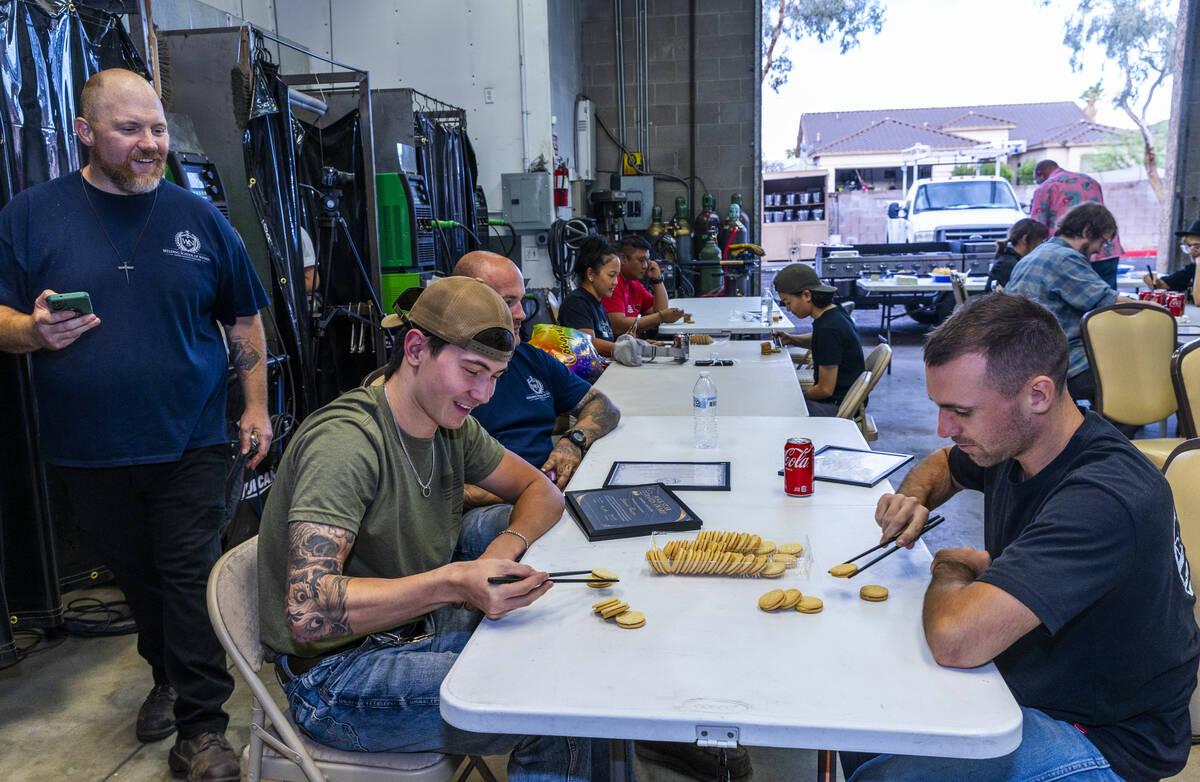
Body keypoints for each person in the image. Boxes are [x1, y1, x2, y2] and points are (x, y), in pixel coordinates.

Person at [0, 69, 271, 782]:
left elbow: (242, 316)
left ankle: (204, 730)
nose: (151, 142)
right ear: (86, 133)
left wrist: (255, 405)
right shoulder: (30, 216)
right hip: (87, 447)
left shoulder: (200, 217)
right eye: (130, 130)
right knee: (139, 579)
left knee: (188, 576)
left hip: (192, 438)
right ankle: (167, 675)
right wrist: (32, 330)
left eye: (156, 127)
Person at [842, 293, 1199, 782]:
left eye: (961, 411)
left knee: (881, 776)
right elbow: (944, 464)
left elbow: (956, 640)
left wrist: (954, 567)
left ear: (1038, 394)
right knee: (854, 727)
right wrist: (915, 498)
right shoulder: (1019, 442)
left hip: (1105, 736)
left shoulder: (1103, 496)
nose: (944, 428)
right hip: (1035, 684)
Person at [256, 276, 596, 780]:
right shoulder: (347, 443)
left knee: (583, 655)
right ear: (415, 348)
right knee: (553, 700)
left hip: (410, 631)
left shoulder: (447, 424)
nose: (482, 394)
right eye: (472, 371)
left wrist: (493, 555)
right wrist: (452, 582)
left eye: (496, 377)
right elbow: (309, 613)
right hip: (336, 677)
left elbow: (542, 493)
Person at [454, 250, 620, 497]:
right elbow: (437, 493)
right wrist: (531, 488)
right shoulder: (449, 377)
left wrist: (573, 442)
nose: (521, 313)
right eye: (508, 302)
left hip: (545, 486)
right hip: (495, 503)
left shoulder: (530, 358)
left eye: (521, 300)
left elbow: (603, 406)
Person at [1005, 202, 1139, 405]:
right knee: (1137, 381)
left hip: (1025, 359)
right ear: (1087, 231)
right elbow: (1111, 303)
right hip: (1055, 365)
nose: (1097, 251)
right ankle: (1102, 436)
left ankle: (1093, 429)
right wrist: (1158, 309)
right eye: (1101, 242)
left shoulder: (1038, 253)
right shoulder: (1065, 258)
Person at [770, 263, 865, 416]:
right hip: (840, 399)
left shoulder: (828, 329)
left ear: (807, 295)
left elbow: (824, 390)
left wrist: (797, 397)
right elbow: (822, 342)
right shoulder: (834, 313)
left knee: (774, 408)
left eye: (788, 302)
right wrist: (791, 339)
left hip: (836, 407)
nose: (788, 309)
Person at [1030, 159, 1124, 261]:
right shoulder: (1090, 180)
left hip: (1069, 255)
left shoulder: (1045, 187)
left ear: (1041, 175)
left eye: (1036, 181)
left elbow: (1036, 227)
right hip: (1106, 250)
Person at [602, 235, 684, 336]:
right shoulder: (613, 284)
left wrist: (657, 279)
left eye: (647, 260)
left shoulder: (634, 284)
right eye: (641, 260)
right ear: (623, 259)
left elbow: (660, 310)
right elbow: (618, 326)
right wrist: (660, 317)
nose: (646, 265)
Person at [557, 235, 620, 357]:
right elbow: (587, 344)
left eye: (617, 276)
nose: (615, 282)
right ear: (590, 274)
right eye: (611, 275)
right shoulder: (576, 303)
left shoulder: (597, 303)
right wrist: (624, 348)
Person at [1144, 218, 1200, 304]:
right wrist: (1152, 280)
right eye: (1188, 246)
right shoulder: (1191, 268)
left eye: (1197, 247)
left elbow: (1198, 301)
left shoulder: (1197, 266)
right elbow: (1164, 284)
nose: (1190, 252)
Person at [986, 218, 1048, 292]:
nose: (1041, 245)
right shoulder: (1011, 265)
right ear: (1025, 239)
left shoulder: (1009, 260)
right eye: (1040, 241)